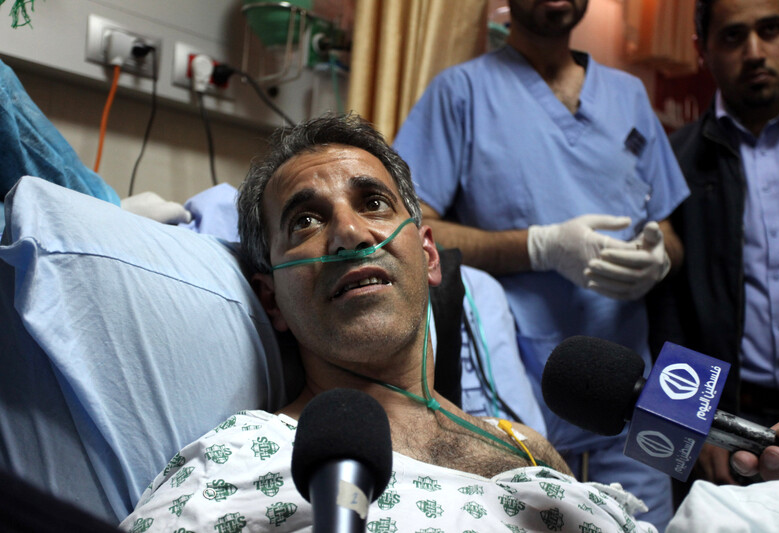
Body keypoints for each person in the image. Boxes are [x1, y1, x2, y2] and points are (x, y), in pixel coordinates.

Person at [119, 114, 659, 532]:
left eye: (373, 202)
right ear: (272, 300)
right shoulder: (237, 459)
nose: (349, 232)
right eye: (305, 221)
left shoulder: (524, 449)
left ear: (428, 256)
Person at [392, 1, 689, 528]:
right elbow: (411, 231)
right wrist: (538, 246)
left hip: (639, 399)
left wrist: (658, 257)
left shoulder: (629, 96)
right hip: (515, 408)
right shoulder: (460, 93)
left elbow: (669, 229)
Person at [663, 0, 779, 487]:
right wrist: (691, 425)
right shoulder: (675, 162)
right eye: (733, 36)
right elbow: (671, 307)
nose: (755, 51)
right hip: (730, 422)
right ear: (704, 50)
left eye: (771, 29)